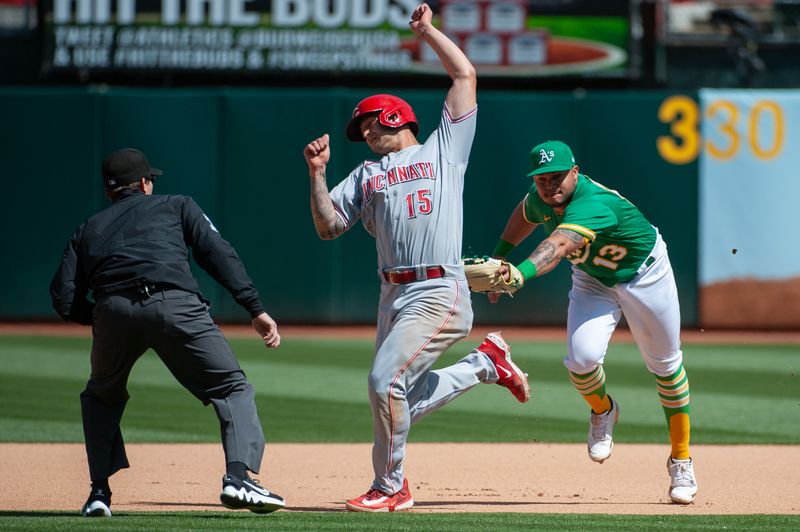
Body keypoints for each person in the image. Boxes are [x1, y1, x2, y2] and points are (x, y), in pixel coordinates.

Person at [302, 3, 531, 513]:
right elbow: (328, 227)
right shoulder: (365, 174)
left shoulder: (442, 149)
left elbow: (464, 73)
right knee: (395, 392)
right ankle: (485, 365)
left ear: (392, 116)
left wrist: (427, 31)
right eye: (360, 129)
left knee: (384, 383)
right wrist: (317, 175)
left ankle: (391, 487)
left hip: (437, 288)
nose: (363, 134)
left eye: (366, 123)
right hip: (393, 293)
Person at [50, 148, 285, 517]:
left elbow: (63, 297)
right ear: (145, 183)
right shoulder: (176, 205)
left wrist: (104, 315)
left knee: (101, 397)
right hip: (174, 303)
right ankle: (238, 478)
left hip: (111, 309)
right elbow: (217, 252)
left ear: (110, 191)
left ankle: (98, 493)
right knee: (231, 388)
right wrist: (254, 307)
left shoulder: (88, 228)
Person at [489, 139, 698, 505]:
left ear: (575, 172)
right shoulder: (541, 197)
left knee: (666, 367)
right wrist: (499, 257)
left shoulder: (593, 204)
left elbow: (557, 246)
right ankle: (604, 410)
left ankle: (681, 459)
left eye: (557, 177)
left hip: (645, 275)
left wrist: (519, 272)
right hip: (593, 278)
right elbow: (524, 214)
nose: (550, 185)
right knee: (581, 360)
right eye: (541, 179)